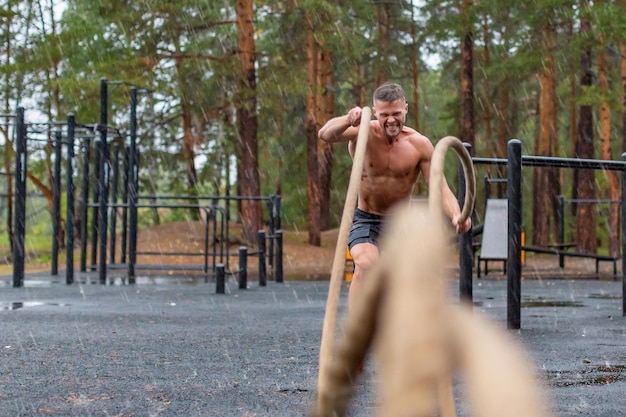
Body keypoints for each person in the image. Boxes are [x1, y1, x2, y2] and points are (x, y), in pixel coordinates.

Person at [318, 82, 472, 308]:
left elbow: (439, 187)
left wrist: (457, 214)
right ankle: (358, 333)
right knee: (365, 264)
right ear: (375, 111)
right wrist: (348, 118)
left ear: (406, 109)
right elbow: (325, 134)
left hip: (401, 221)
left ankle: (411, 332)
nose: (391, 120)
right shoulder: (364, 132)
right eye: (385, 115)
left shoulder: (419, 145)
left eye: (397, 113)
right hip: (366, 218)